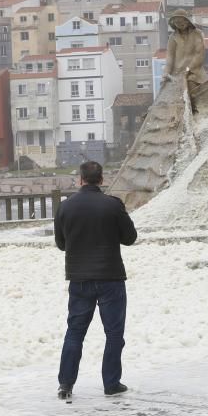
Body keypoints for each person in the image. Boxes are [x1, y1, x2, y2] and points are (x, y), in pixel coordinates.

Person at [54, 160, 138, 400]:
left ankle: (66, 385)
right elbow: (130, 238)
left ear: (80, 179)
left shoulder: (66, 207)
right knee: (113, 333)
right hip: (110, 277)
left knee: (75, 332)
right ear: (101, 180)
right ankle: (111, 383)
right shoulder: (113, 205)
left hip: (79, 278)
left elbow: (61, 244)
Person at [162, 9, 207, 91]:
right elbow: (170, 58)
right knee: (165, 89)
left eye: (182, 21)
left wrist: (188, 69)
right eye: (177, 22)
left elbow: (199, 54)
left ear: (187, 21)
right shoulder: (173, 37)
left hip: (195, 73)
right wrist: (166, 73)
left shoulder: (197, 34)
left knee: (191, 86)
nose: (180, 24)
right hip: (177, 74)